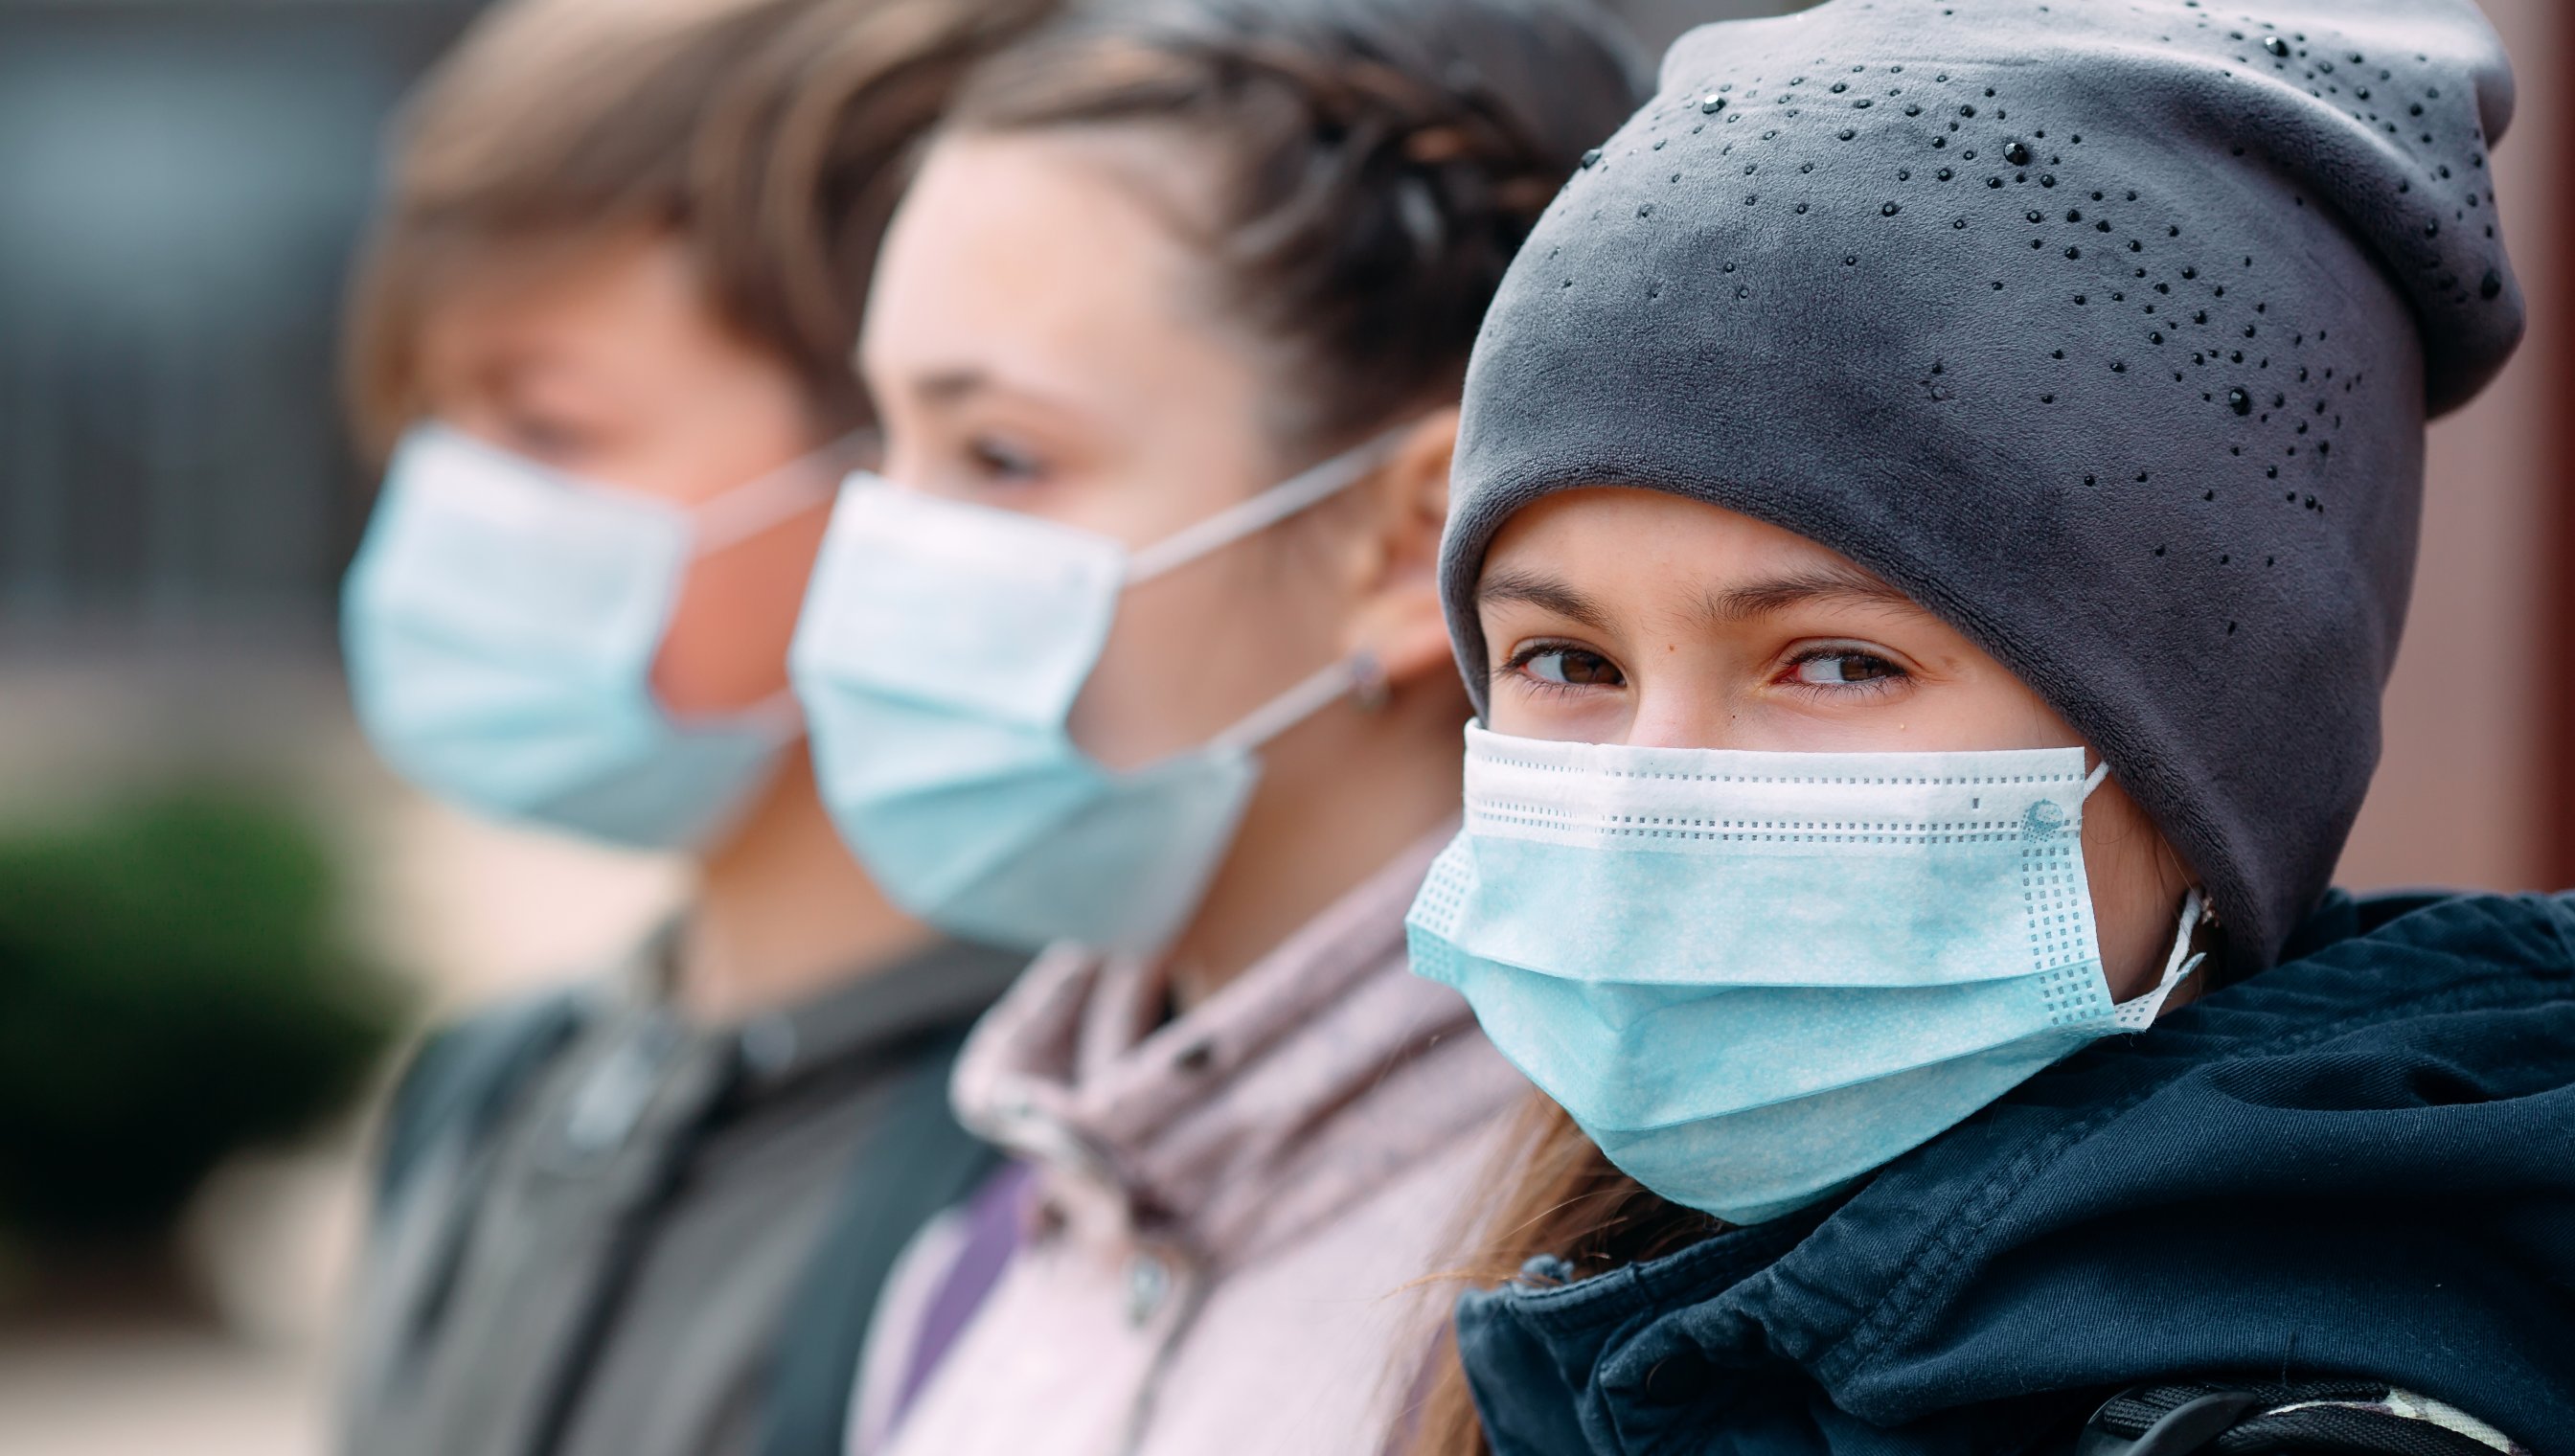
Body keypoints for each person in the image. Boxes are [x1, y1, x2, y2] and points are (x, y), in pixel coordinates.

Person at [1401, 1, 2575, 1451]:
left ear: (2205, 763)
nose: (1652, 800)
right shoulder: (1610, 1308)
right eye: (1568, 660)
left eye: (1834, 664)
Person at [778, 1, 1646, 1450]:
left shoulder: (1585, 1316)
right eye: (889, 444)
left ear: (1404, 540)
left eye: (1001, 455)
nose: (881, 550)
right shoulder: (989, 1235)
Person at [330, 1, 1055, 1453]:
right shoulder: (492, 1097)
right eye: (429, 416)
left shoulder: (1047, 1175)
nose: (454, 502)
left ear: (903, 464)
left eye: (547, 430)